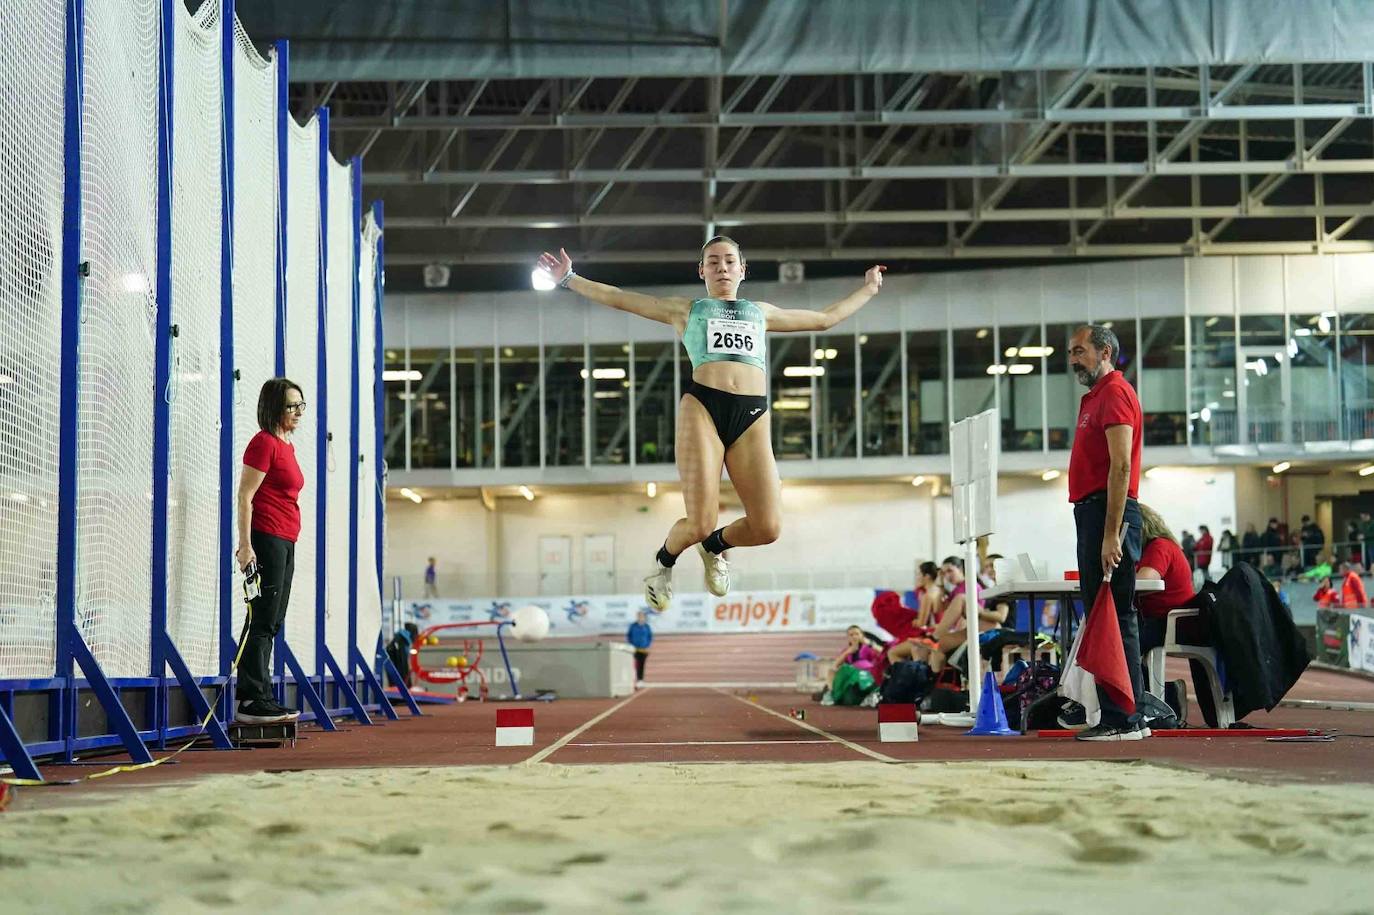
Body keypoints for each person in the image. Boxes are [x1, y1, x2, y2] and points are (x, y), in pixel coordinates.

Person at [537, 239, 885, 610]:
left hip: (752, 415)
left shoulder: (760, 313)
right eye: (713, 262)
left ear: (742, 270)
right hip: (703, 406)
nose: (722, 267)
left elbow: (825, 319)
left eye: (729, 261)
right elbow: (620, 297)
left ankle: (714, 547)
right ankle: (663, 563)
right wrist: (569, 278)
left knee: (767, 527)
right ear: (701, 271)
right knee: (700, 521)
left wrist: (868, 289)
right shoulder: (686, 310)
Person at [1065, 324, 1147, 741]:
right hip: (1094, 514)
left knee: (1114, 614)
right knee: (1107, 614)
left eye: (1080, 351)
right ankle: (1122, 715)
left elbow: (1120, 467)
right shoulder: (1094, 398)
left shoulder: (1115, 393)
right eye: (1071, 352)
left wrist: (1111, 534)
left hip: (1107, 515)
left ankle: (1125, 719)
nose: (1073, 359)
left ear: (1106, 352)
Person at [234, 378, 307, 725]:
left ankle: (261, 694)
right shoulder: (263, 444)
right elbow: (245, 496)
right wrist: (246, 546)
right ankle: (250, 699)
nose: (297, 413)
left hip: (286, 540)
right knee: (261, 619)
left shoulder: (287, 446)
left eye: (300, 406)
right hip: (266, 539)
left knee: (273, 621)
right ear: (274, 407)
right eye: (291, 406)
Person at [626, 611, 653, 686]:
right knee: (635, 664)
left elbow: (650, 637)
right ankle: (633, 679)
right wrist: (631, 645)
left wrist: (648, 645)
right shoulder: (633, 626)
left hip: (644, 648)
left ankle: (640, 679)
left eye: (642, 616)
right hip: (634, 648)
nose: (640, 618)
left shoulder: (647, 626)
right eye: (639, 616)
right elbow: (629, 635)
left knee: (641, 664)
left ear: (644, 617)